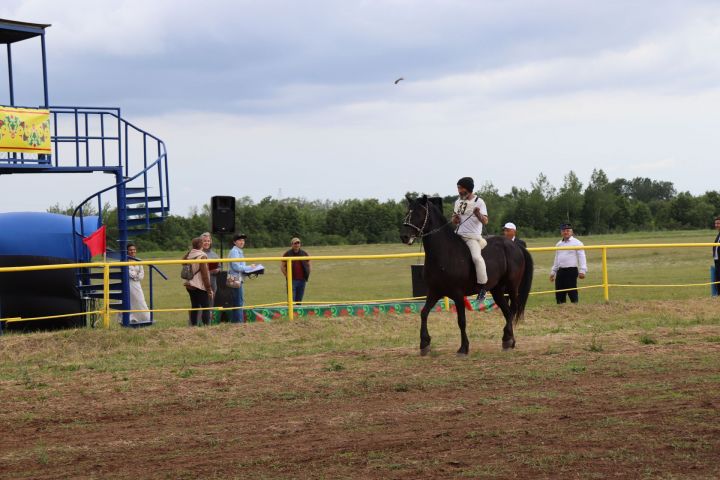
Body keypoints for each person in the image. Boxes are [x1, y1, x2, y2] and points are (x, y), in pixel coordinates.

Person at [452, 176, 488, 300]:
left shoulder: (479, 201)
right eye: (458, 188)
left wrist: (478, 214)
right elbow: (454, 219)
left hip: (472, 238)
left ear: (467, 188)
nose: (459, 191)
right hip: (457, 236)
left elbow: (485, 221)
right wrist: (455, 219)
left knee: (477, 258)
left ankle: (483, 287)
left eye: (460, 188)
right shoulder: (458, 202)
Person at [549, 223, 587, 304]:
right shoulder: (559, 244)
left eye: (567, 231)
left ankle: (575, 308)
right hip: (560, 271)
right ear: (561, 232)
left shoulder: (577, 243)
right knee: (559, 293)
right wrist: (553, 272)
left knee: (572, 291)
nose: (565, 232)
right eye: (563, 231)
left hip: (571, 270)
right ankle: (561, 310)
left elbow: (582, 257)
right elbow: (557, 259)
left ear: (571, 232)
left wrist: (582, 271)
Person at [183, 237, 214, 326]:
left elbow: (183, 261)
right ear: (201, 245)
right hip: (199, 285)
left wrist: (190, 251)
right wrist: (209, 289)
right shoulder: (202, 256)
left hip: (190, 285)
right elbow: (205, 275)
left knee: (194, 306)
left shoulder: (189, 255)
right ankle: (206, 326)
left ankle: (193, 325)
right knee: (205, 306)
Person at [228, 233, 256, 323]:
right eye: (239, 240)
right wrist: (249, 267)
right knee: (239, 302)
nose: (242, 242)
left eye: (243, 240)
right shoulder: (235, 251)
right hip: (235, 278)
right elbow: (236, 267)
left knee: (237, 301)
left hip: (236, 278)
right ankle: (239, 324)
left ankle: (235, 323)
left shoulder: (238, 251)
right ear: (234, 242)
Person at [125, 242, 150, 324]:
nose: (132, 251)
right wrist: (136, 275)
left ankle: (145, 318)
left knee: (140, 300)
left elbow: (141, 275)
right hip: (129, 284)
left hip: (137, 284)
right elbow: (129, 273)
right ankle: (130, 318)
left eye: (134, 250)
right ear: (127, 251)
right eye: (130, 250)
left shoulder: (138, 260)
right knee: (130, 301)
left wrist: (136, 275)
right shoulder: (124, 261)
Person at [280, 237, 311, 303]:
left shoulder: (304, 253)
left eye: (298, 243)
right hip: (292, 280)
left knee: (299, 300)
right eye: (295, 243)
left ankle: (297, 312)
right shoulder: (287, 254)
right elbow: (282, 266)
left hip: (302, 280)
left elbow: (309, 265)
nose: (297, 245)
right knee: (291, 300)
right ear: (292, 244)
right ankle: (291, 312)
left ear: (300, 244)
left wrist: (307, 274)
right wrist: (287, 276)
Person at [201, 232, 221, 301]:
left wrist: (217, 270)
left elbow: (219, 267)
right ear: (201, 242)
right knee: (201, 305)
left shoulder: (214, 255)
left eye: (208, 241)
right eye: (205, 241)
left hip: (212, 283)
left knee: (210, 304)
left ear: (211, 242)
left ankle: (210, 312)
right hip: (200, 284)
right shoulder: (197, 253)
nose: (207, 243)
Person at [713, 216, 720, 296]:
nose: (716, 225)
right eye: (716, 223)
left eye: (718, 223)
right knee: (717, 278)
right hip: (717, 260)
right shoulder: (718, 235)